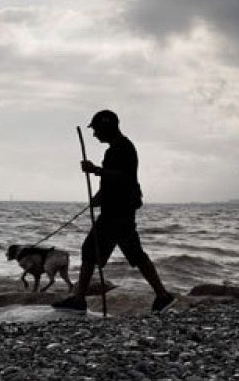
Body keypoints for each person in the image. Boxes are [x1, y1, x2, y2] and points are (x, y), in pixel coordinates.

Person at [52, 110, 176, 313]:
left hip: (116, 215)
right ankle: (162, 295)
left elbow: (123, 178)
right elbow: (113, 181)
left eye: (97, 129)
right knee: (134, 254)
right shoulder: (116, 149)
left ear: (107, 126)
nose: (94, 134)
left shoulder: (122, 148)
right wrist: (99, 196)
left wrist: (96, 170)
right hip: (119, 212)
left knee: (90, 250)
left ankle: (79, 299)